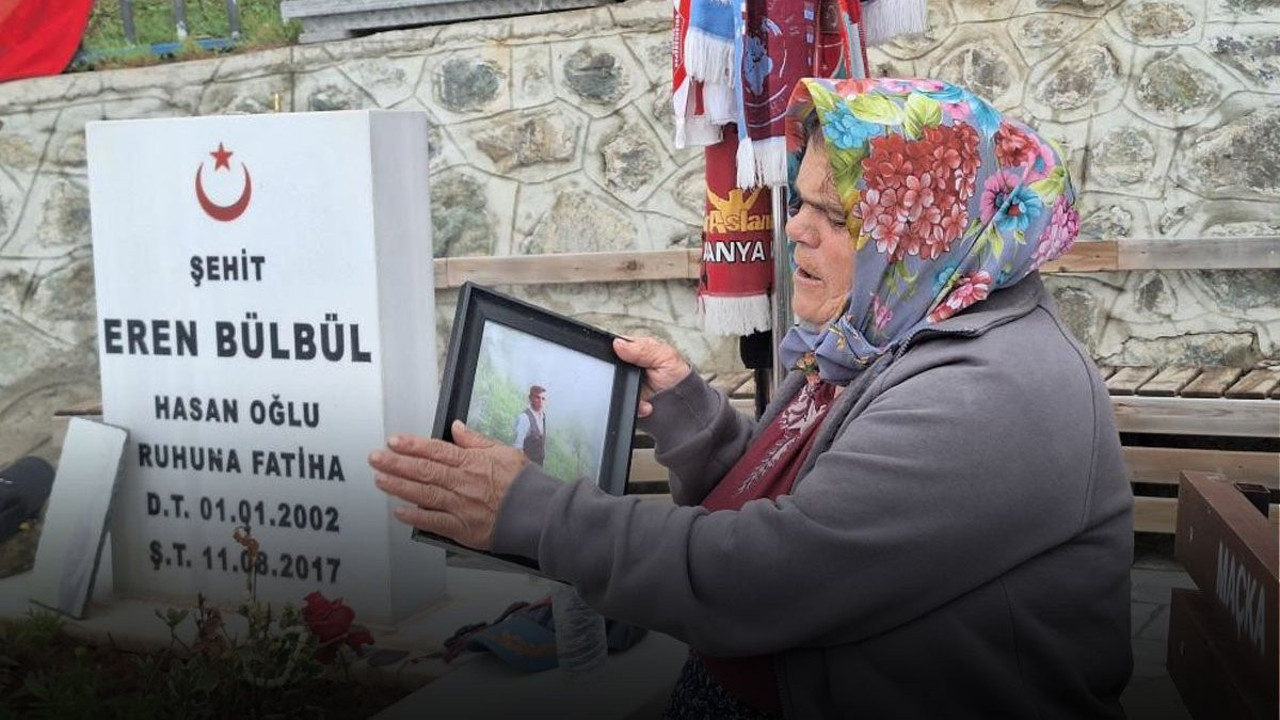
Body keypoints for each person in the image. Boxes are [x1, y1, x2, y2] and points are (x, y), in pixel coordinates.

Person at [370, 77, 1134, 718]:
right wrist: (692, 418)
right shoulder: (882, 329)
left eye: (832, 215)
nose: (794, 229)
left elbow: (765, 579)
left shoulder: (991, 393)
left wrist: (531, 511)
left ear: (923, 236)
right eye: (798, 202)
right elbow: (803, 508)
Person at [512, 385, 547, 466]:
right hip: (525, 466)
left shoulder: (543, 416)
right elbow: (518, 446)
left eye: (543, 398)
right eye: (537, 397)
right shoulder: (524, 418)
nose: (541, 401)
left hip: (537, 466)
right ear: (530, 398)